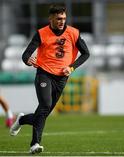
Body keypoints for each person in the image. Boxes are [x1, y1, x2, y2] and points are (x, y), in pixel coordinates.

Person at [10, 4, 90, 154]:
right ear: (51, 18)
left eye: (64, 19)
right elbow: (25, 55)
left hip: (61, 78)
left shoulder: (73, 33)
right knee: (45, 105)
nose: (62, 21)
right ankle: (34, 144)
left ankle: (21, 120)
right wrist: (28, 60)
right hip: (44, 73)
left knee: (42, 114)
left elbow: (86, 53)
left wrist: (71, 67)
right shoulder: (41, 33)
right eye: (59, 18)